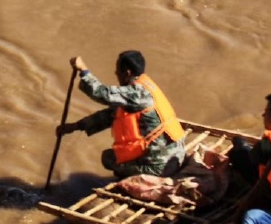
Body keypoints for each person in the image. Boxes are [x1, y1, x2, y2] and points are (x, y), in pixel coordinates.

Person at [55, 51, 186, 178]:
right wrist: (75, 126)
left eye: (118, 71)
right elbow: (110, 114)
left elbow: (102, 93)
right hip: (177, 155)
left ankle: (131, 177)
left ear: (127, 73)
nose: (115, 73)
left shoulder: (137, 93)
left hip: (161, 168)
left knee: (109, 158)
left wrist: (83, 71)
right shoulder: (147, 85)